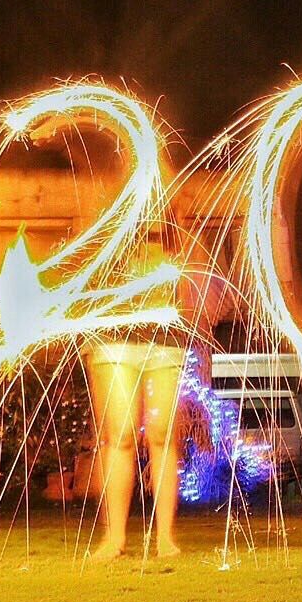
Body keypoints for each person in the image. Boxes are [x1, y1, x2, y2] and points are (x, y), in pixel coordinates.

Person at [85, 228, 188, 561]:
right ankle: (114, 538)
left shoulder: (171, 216)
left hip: (165, 338)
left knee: (163, 433)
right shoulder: (110, 216)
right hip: (114, 337)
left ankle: (165, 538)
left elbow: (186, 273)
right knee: (121, 434)